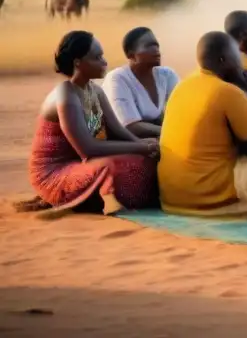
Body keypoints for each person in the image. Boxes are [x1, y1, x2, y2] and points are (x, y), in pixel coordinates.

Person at [28, 31, 159, 214]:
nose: (104, 62)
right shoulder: (66, 94)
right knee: (112, 166)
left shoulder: (95, 91)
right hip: (54, 173)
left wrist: (145, 145)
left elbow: (117, 131)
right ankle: (104, 200)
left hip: (81, 165)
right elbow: (87, 149)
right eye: (97, 57)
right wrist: (140, 147)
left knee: (144, 159)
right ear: (78, 63)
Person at [158, 31, 247, 217]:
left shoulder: (182, 86)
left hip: (172, 199)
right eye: (236, 57)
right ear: (223, 60)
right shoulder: (228, 93)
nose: (241, 64)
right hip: (211, 200)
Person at [101, 27, 179, 137]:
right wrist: (173, 132)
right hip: (123, 139)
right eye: (149, 46)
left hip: (154, 136)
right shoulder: (118, 78)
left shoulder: (167, 75)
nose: (156, 50)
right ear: (131, 55)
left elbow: (182, 108)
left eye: (156, 45)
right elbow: (130, 126)